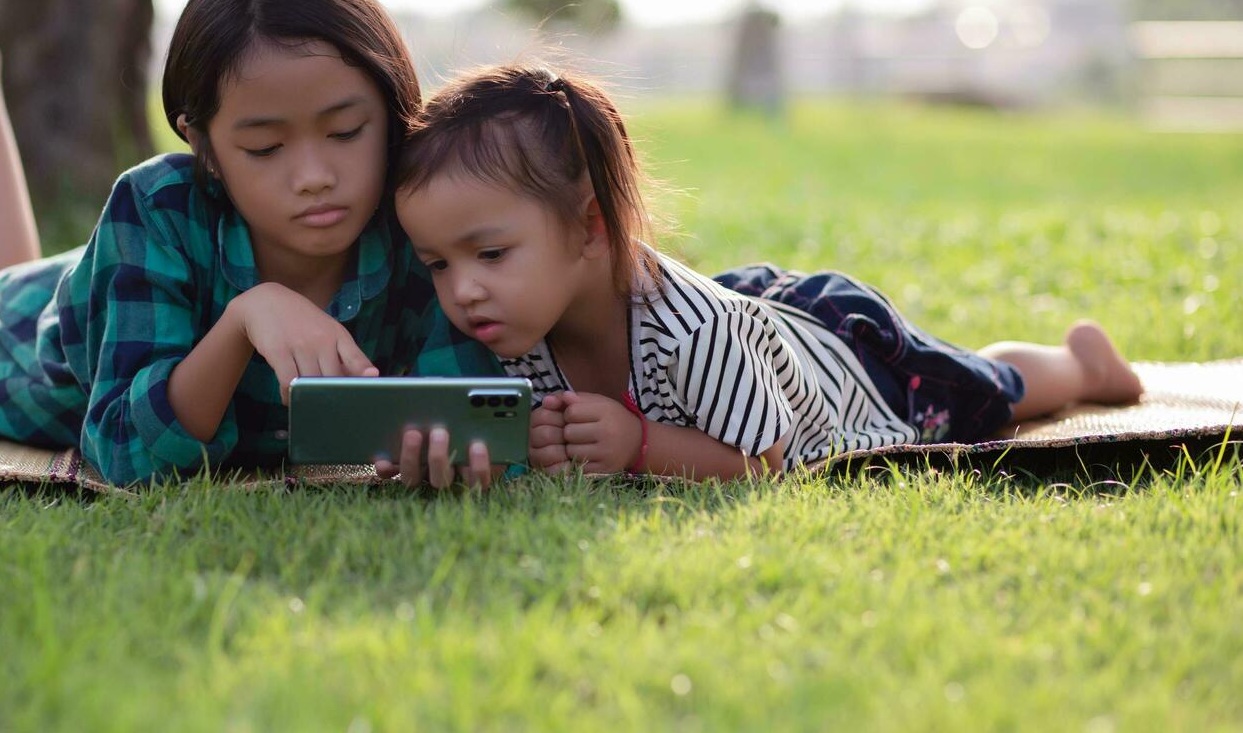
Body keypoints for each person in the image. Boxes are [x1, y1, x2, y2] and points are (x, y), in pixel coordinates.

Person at [0, 0, 502, 487]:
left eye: (346, 131)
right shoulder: (157, 204)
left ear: (392, 111)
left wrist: (453, 447)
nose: (314, 175)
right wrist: (246, 316)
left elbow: (473, 403)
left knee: (8, 274)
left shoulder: (414, 214)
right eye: (265, 147)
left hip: (84, 298)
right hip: (8, 345)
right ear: (208, 149)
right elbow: (128, 455)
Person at [390, 64, 1146, 483]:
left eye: (489, 255)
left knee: (985, 395)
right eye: (438, 265)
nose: (464, 290)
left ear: (590, 226)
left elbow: (762, 465)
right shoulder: (514, 327)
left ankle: (1078, 364)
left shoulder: (695, 335)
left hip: (847, 355)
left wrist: (637, 447)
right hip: (759, 325)